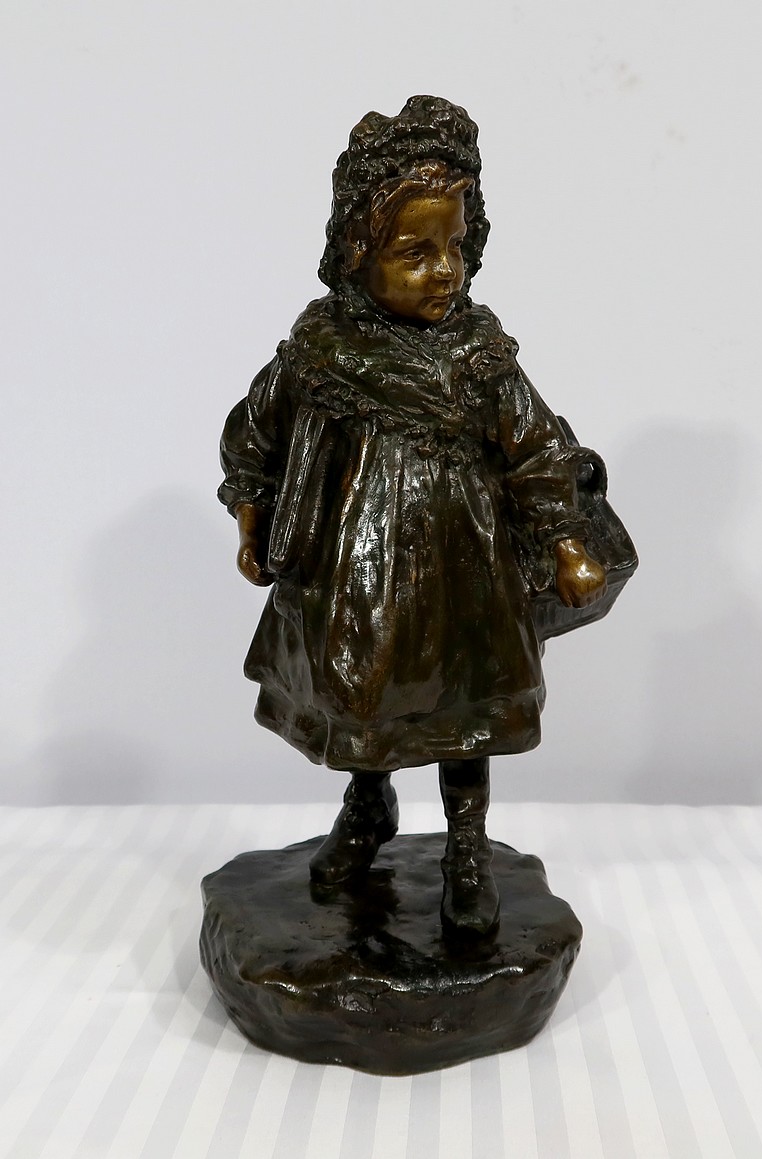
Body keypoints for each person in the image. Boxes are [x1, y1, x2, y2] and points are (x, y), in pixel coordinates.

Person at [219, 96, 608, 935]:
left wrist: (565, 540)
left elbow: (535, 445)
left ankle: (467, 845)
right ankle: (369, 809)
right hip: (356, 582)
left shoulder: (479, 355)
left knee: (465, 712)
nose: (445, 270)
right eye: (415, 253)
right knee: (370, 705)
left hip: (465, 571)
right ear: (357, 256)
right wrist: (251, 517)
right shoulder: (321, 352)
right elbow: (256, 430)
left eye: (456, 247)